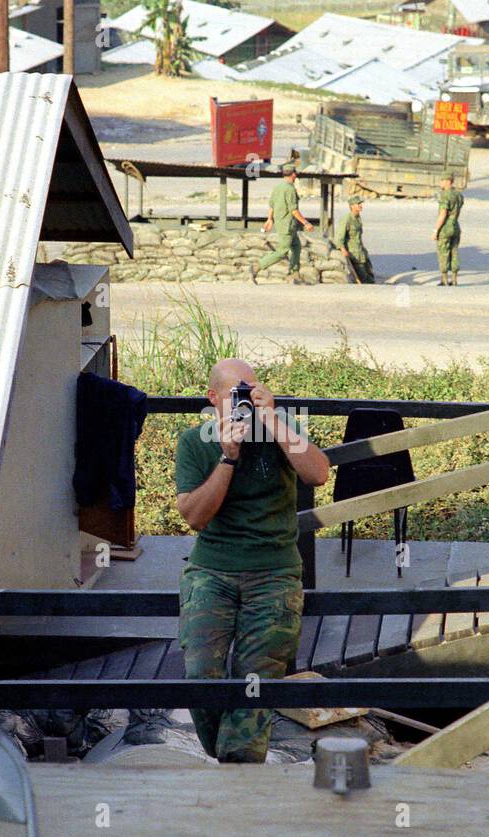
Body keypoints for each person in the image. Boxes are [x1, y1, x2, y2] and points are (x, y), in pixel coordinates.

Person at [174, 358, 330, 762]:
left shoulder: (280, 429)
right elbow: (194, 516)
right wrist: (227, 457)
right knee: (200, 674)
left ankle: (240, 770)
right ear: (213, 399)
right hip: (212, 569)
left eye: (251, 391)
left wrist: (274, 418)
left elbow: (318, 474)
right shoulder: (196, 441)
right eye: (235, 395)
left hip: (274, 571)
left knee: (257, 681)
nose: (244, 402)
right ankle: (226, 757)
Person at [251, 164, 314, 285]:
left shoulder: (278, 187)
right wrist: (306, 223)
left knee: (296, 247)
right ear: (293, 174)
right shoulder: (290, 189)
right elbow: (294, 210)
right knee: (282, 251)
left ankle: (294, 274)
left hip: (286, 225)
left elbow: (271, 205)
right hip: (287, 225)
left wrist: (270, 219)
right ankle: (257, 267)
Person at [432, 173, 464, 286]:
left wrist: (436, 230)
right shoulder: (459, 195)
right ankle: (454, 279)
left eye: (442, 180)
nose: (440, 183)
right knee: (454, 251)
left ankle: (444, 279)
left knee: (443, 252)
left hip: (445, 227)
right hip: (455, 225)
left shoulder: (445, 196)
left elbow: (443, 214)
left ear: (447, 181)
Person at [335, 194, 374, 284]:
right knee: (363, 277)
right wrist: (342, 249)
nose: (361, 206)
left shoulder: (358, 218)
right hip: (353, 253)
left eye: (361, 204)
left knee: (369, 275)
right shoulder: (347, 219)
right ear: (352, 206)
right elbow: (339, 237)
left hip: (361, 252)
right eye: (358, 204)